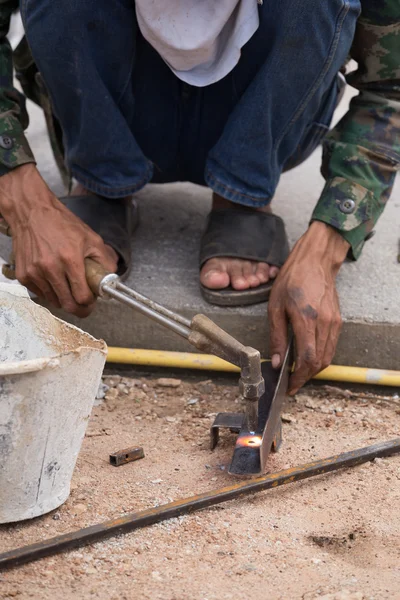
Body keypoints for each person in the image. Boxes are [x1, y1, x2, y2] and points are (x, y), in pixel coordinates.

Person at [0, 1, 398, 394]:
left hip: (260, 106)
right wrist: (26, 204)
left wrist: (326, 244)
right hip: (112, 104)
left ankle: (243, 191)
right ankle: (101, 178)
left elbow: (391, 88)